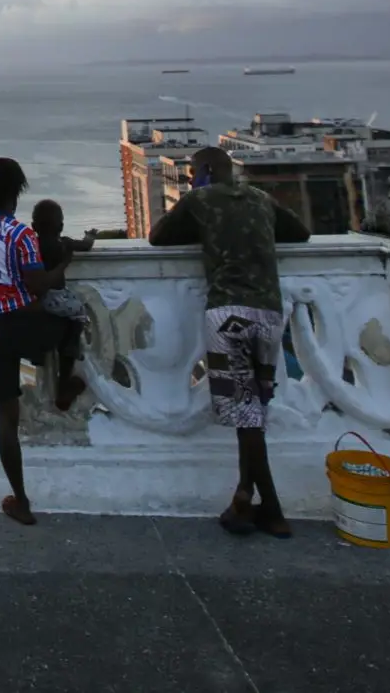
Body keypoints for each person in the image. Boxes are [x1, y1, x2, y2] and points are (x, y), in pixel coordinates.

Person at [150, 146, 311, 537]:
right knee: (252, 413)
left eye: (192, 173)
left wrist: (197, 207)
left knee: (246, 416)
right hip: (270, 314)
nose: (190, 179)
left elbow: (158, 237)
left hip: (228, 315)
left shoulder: (200, 199)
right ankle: (243, 497)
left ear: (204, 171)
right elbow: (300, 233)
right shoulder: (260, 198)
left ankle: (271, 508)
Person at [0, 156, 86, 526]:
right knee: (73, 319)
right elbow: (38, 285)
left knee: (6, 415)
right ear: (15, 193)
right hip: (29, 327)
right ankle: (64, 388)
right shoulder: (22, 236)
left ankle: (20, 499)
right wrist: (65, 261)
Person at [28, 199, 95, 327]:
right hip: (58, 297)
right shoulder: (64, 244)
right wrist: (90, 236)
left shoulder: (32, 245)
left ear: (33, 226)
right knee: (80, 312)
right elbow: (86, 245)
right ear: (61, 226)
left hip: (38, 299)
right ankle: (71, 342)